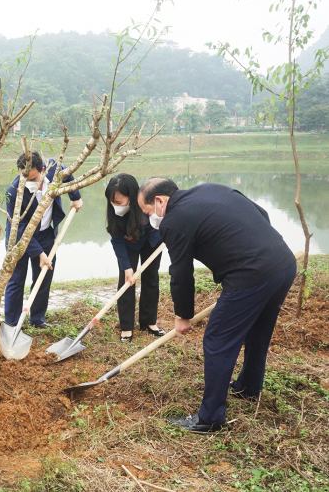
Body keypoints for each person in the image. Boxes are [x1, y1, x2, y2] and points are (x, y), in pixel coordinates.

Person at [137, 178, 297, 433]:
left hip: (250, 274)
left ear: (159, 201)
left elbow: (180, 271)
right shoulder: (209, 188)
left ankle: (209, 418)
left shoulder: (173, 220)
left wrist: (182, 316)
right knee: (258, 333)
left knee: (217, 340)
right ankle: (248, 389)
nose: (150, 220)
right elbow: (262, 213)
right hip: (283, 263)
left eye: (147, 213)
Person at [4, 152, 83, 328]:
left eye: (32, 178)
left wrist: (75, 197)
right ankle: (12, 323)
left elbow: (67, 173)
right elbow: (20, 227)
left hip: (46, 233)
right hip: (19, 238)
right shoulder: (13, 192)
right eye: (24, 178)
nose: (28, 183)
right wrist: (39, 253)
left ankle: (37, 319)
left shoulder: (54, 171)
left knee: (43, 276)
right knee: (16, 280)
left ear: (43, 170)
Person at [104, 174, 165, 343]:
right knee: (126, 281)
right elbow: (116, 239)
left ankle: (149, 322)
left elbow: (163, 219)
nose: (115, 206)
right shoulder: (115, 211)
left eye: (119, 202)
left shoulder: (147, 203)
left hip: (152, 242)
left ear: (132, 197)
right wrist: (127, 267)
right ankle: (126, 327)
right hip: (128, 245)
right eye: (112, 202)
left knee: (151, 279)